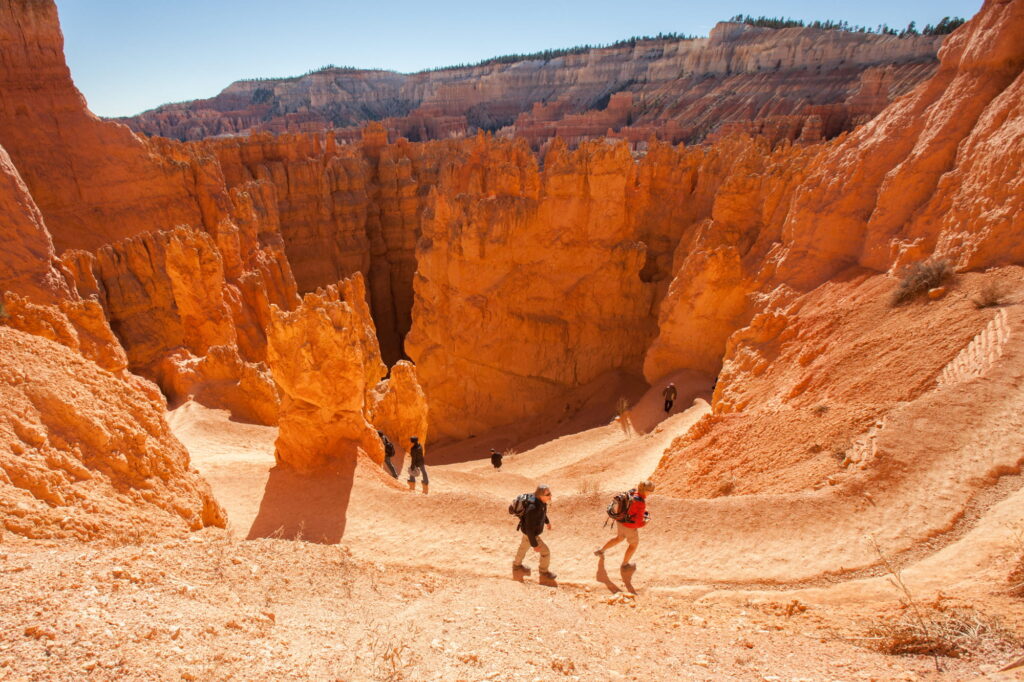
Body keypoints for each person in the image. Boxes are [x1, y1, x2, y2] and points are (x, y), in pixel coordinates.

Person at [595, 480, 654, 570]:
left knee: (619, 538)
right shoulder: (641, 502)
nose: (651, 493)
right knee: (633, 544)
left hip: (620, 520)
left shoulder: (633, 492)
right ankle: (625, 565)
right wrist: (645, 522)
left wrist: (641, 513)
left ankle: (601, 551)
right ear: (646, 491)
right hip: (629, 527)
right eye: (651, 491)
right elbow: (637, 523)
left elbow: (630, 508)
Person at [513, 484, 556, 580]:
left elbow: (543, 514)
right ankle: (543, 572)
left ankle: (516, 565)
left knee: (523, 548)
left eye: (550, 493)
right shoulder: (533, 509)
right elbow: (529, 529)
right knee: (546, 553)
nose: (550, 496)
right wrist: (535, 544)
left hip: (527, 534)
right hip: (531, 534)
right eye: (548, 494)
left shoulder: (541, 502)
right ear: (540, 495)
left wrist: (547, 522)